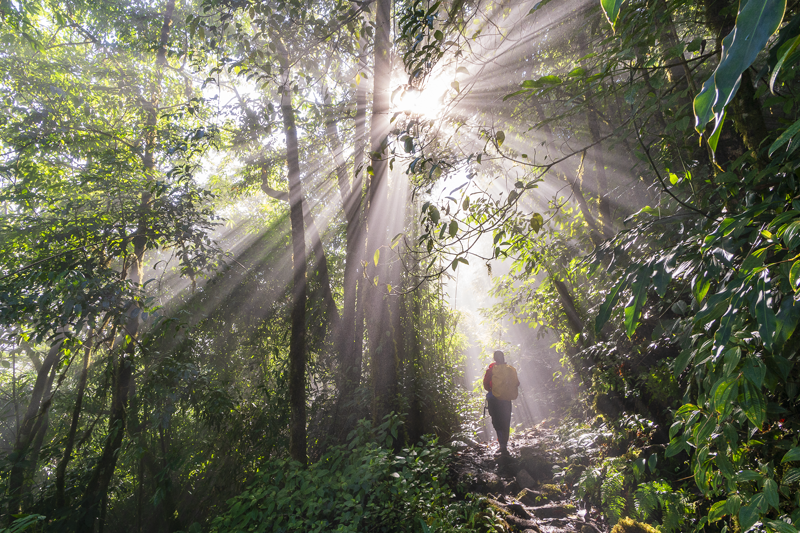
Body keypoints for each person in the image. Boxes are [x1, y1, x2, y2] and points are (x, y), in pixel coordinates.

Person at [483, 350, 519, 453]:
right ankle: (504, 445)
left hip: (494, 399)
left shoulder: (491, 369)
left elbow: (485, 384)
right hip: (506, 399)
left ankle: (501, 445)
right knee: (505, 421)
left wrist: (493, 389)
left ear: (494, 358)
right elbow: (517, 383)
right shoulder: (510, 370)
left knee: (496, 421)